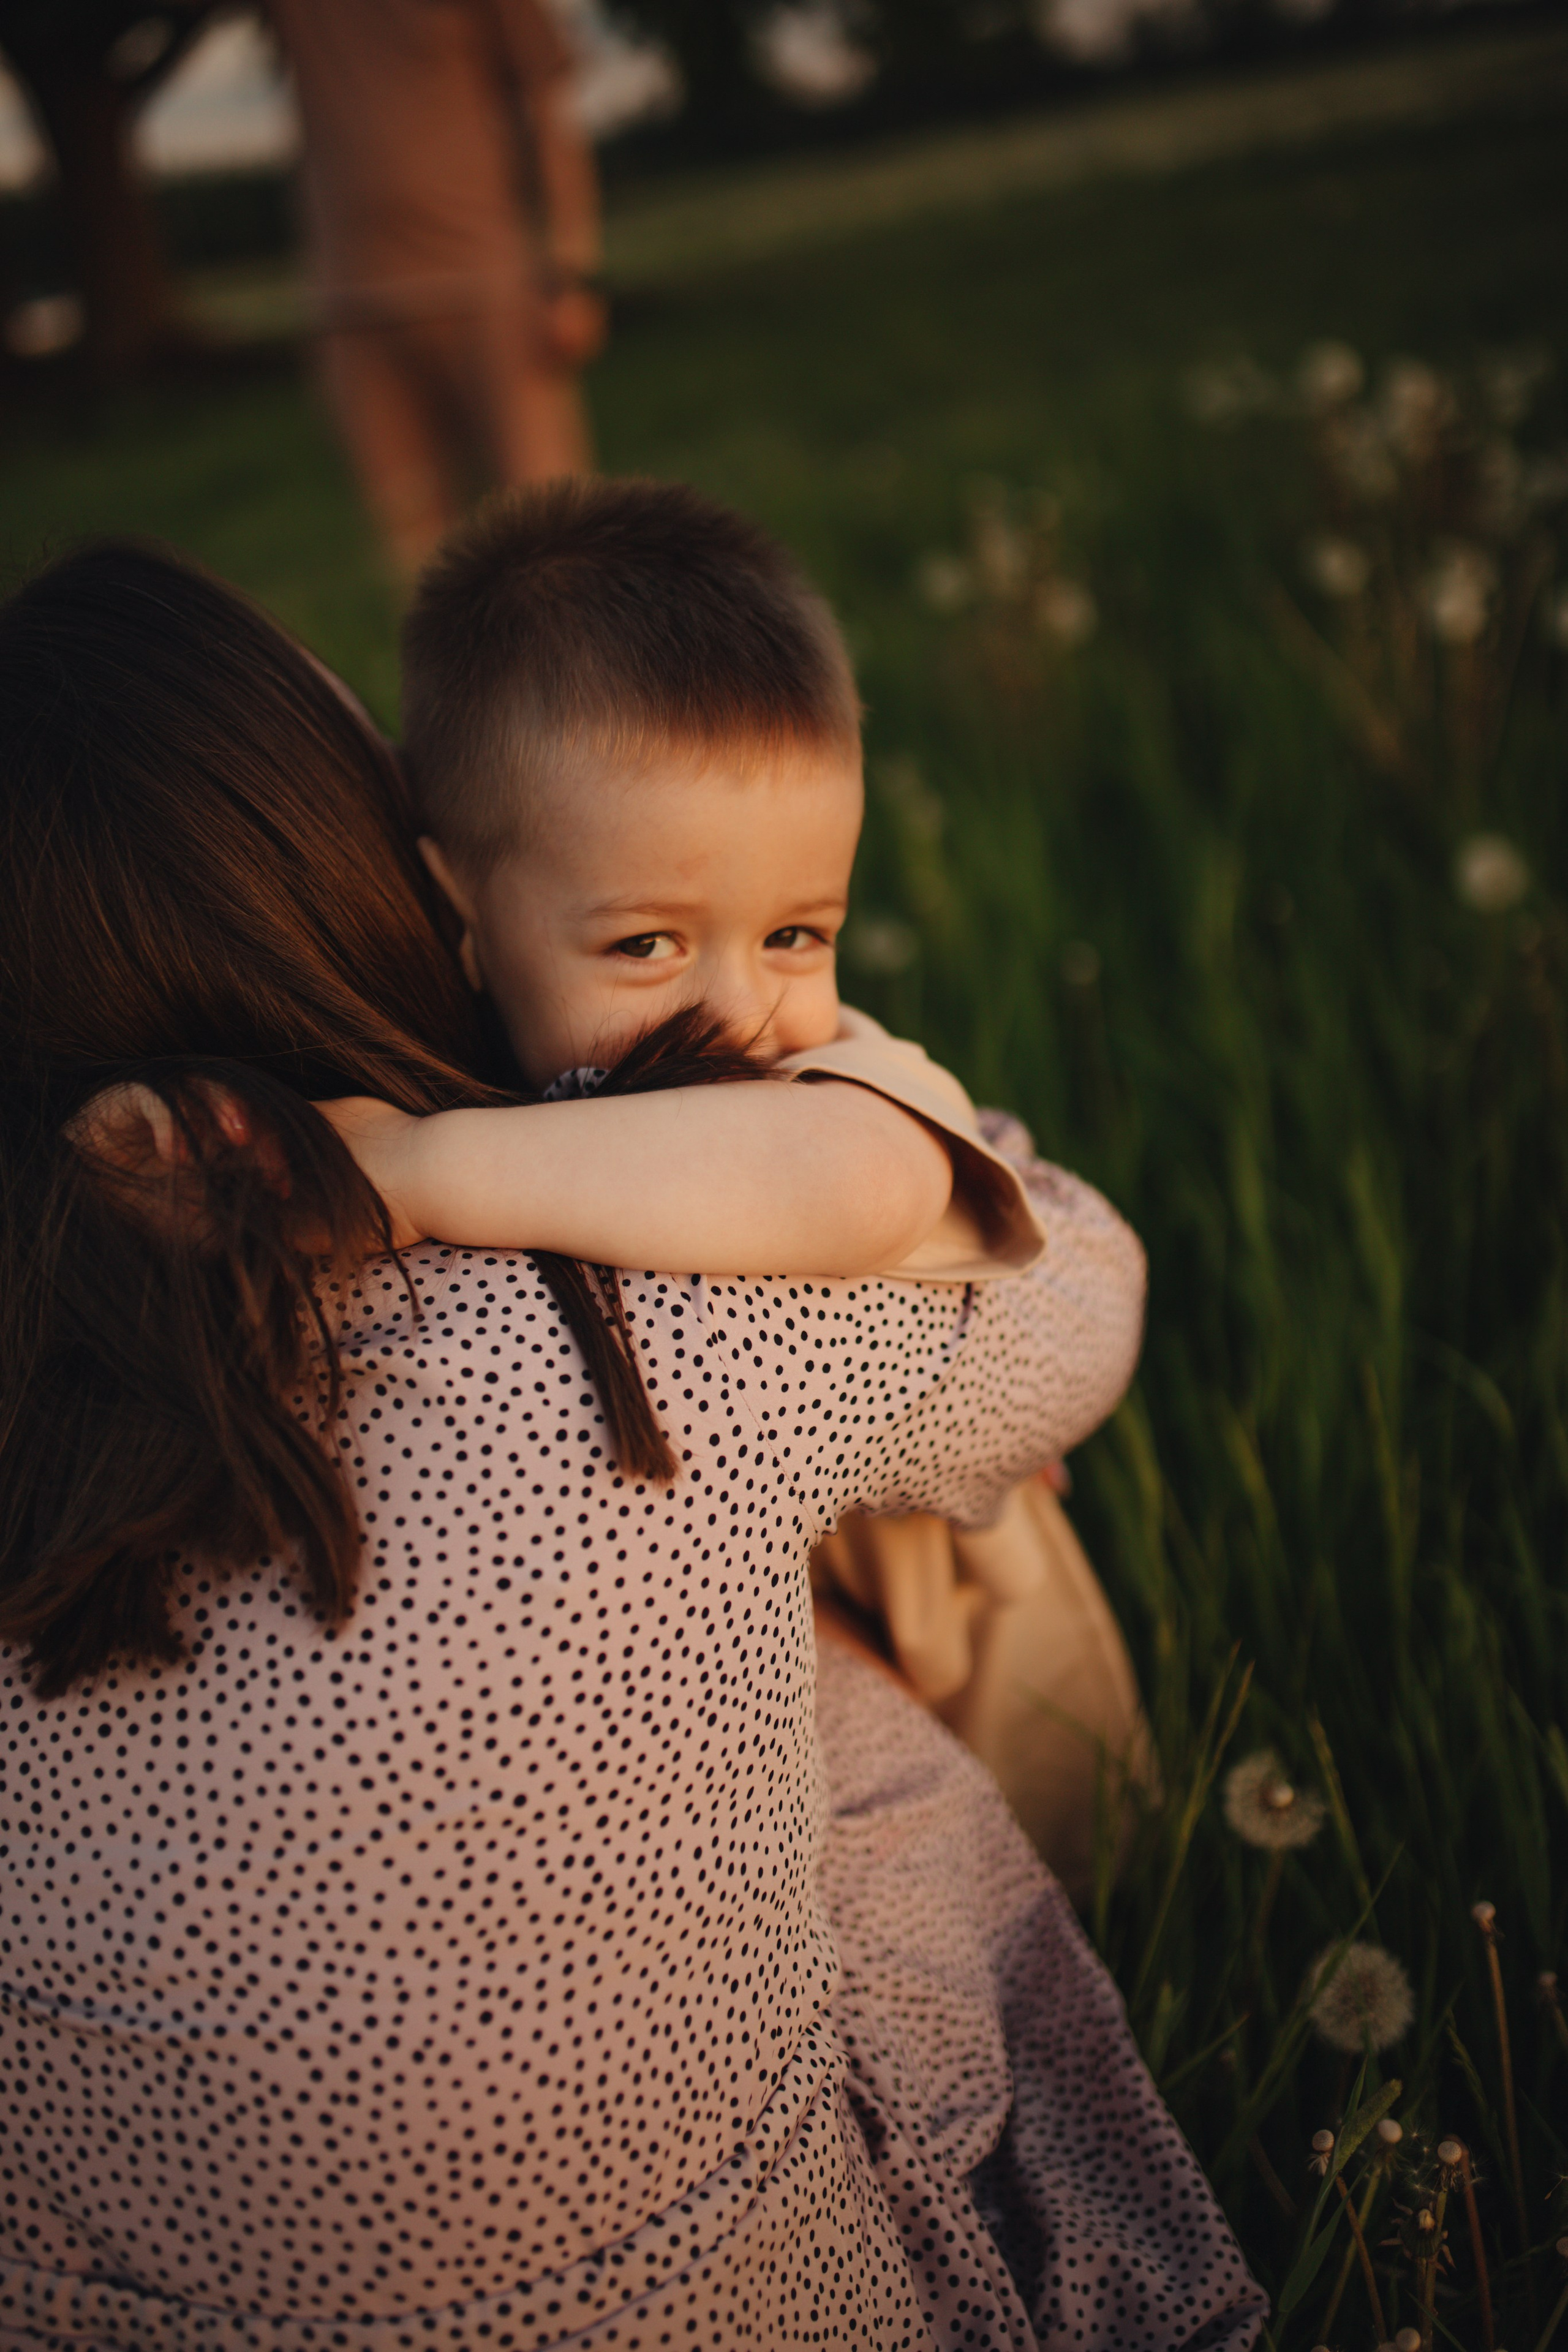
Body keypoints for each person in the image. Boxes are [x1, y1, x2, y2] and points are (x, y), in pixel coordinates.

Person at [0, 542, 1265, 2351]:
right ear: (382, 880)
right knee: (850, 1681)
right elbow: (1080, 1301)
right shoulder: (652, 1305)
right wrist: (874, 1125)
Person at [387, 475, 1152, 1891]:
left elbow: (857, 1182)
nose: (741, 1012)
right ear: (461, 916)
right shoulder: (474, 1081)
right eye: (646, 946)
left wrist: (412, 1172)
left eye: (797, 931)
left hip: (940, 1662)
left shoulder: (825, 1093)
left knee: (1018, 1868)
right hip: (663, 1738)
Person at [266, 0, 607, 575]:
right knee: (422, 570)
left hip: (489, 288)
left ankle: (597, 667)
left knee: (555, 547)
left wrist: (569, 269)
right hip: (353, 306)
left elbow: (546, 98)